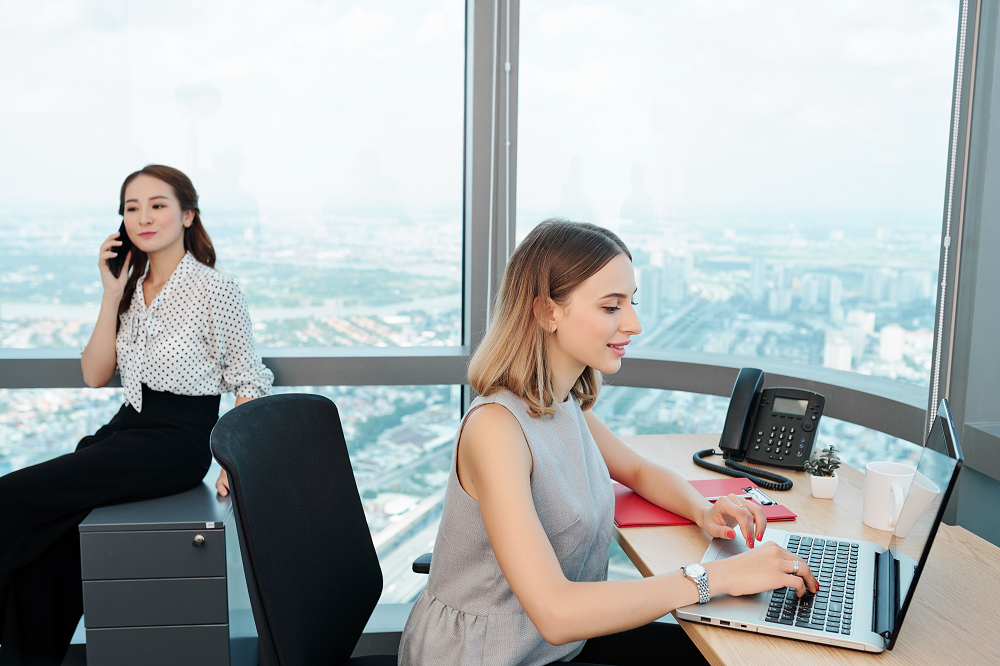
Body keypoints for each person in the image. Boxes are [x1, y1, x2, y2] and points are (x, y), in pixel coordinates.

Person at [398, 220, 819, 666]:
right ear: (547, 312)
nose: (634, 324)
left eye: (630, 303)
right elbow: (556, 614)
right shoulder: (496, 430)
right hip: (488, 656)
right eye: (611, 307)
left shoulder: (561, 406)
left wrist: (702, 509)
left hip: (550, 647)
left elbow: (637, 471)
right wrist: (715, 577)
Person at [0, 165, 273, 666]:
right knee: (51, 548)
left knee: (11, 496)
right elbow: (94, 373)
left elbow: (249, 379)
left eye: (158, 204)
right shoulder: (130, 287)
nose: (143, 217)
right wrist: (110, 291)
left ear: (188, 214)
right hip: (125, 430)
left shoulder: (217, 289)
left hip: (175, 443)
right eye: (131, 208)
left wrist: (236, 461)